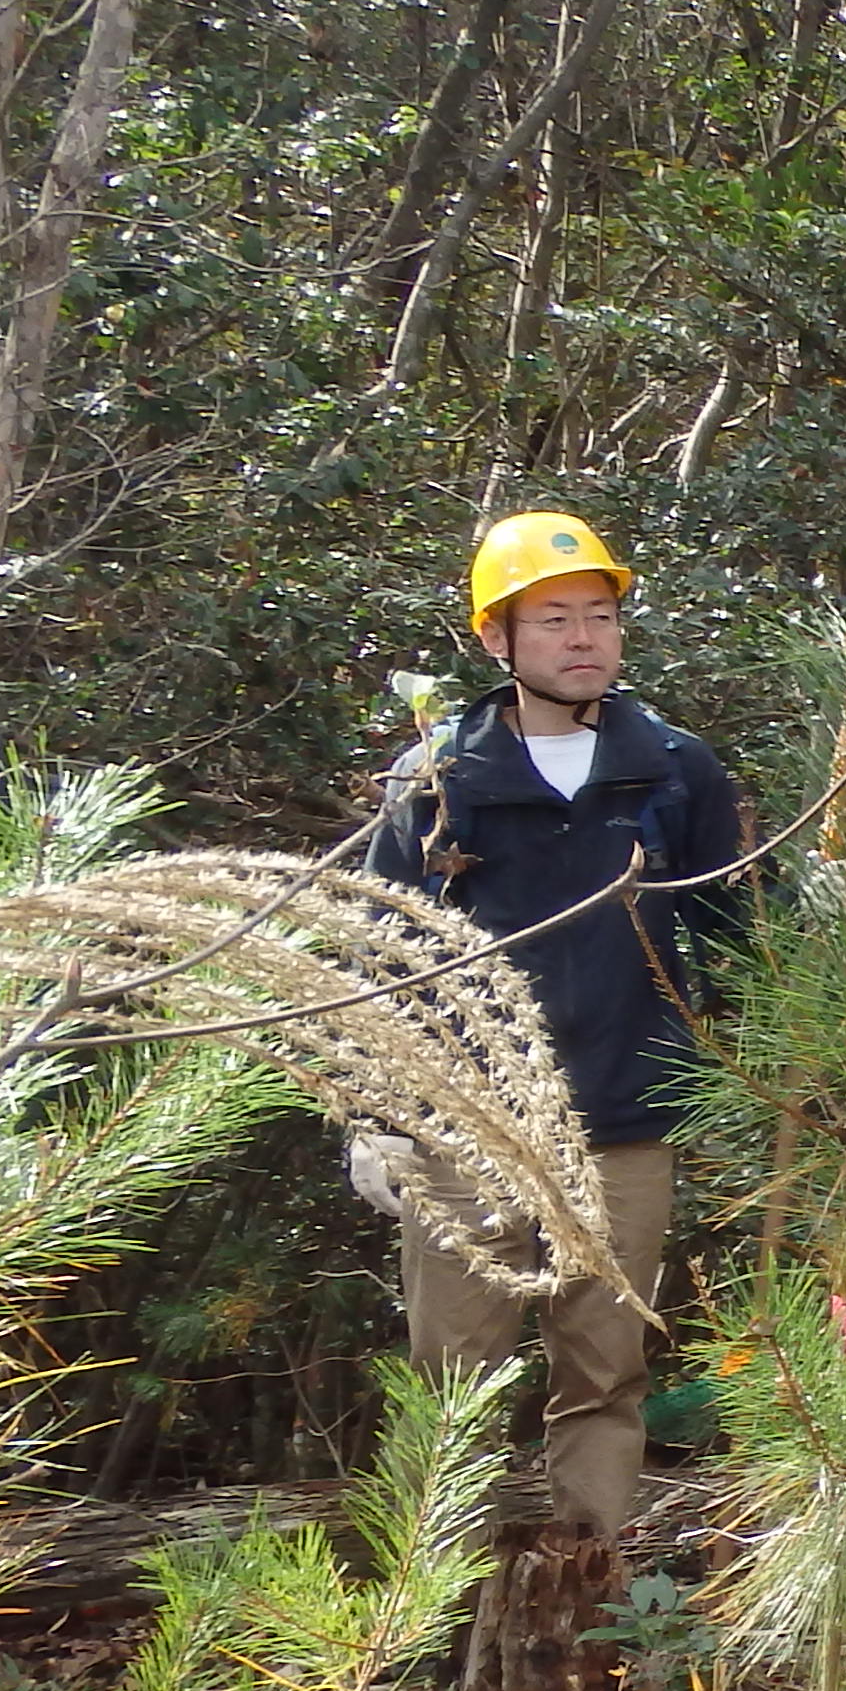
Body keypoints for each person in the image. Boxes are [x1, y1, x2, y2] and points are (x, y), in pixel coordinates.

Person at [354, 512, 748, 1537]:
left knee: (607, 1376)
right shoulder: (439, 779)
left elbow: (739, 933)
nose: (585, 640)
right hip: (468, 1135)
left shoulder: (673, 769)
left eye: (602, 617)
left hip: (625, 1122)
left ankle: (592, 1597)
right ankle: (431, 1615)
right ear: (499, 641)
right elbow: (375, 958)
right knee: (453, 1393)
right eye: (555, 620)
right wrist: (373, 1118)